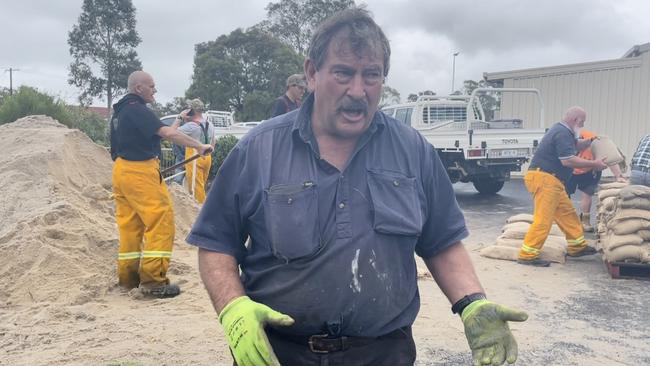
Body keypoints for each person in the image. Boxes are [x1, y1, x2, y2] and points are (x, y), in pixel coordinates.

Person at [187, 8, 527, 366]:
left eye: (371, 75)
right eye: (343, 73)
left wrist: (472, 303)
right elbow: (216, 243)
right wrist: (233, 308)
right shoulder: (258, 149)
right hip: (278, 353)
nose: (358, 90)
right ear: (311, 74)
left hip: (383, 353)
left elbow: (441, 241)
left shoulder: (413, 151)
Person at [110, 71, 213, 298]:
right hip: (140, 171)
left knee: (130, 226)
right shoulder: (138, 110)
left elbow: (151, 132)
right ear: (139, 88)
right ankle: (153, 281)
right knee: (161, 220)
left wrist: (179, 122)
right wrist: (198, 146)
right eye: (152, 86)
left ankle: (127, 279)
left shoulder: (119, 112)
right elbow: (166, 133)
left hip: (121, 171)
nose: (154, 90)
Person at [518, 106, 608, 267]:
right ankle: (527, 254)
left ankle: (577, 246)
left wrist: (589, 142)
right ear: (576, 120)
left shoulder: (562, 131)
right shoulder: (562, 132)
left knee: (568, 214)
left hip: (552, 180)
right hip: (545, 179)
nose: (582, 125)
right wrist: (594, 164)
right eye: (582, 122)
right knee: (543, 220)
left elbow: (575, 145)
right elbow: (568, 160)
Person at [566, 129, 626, 232]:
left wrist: (618, 176)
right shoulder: (566, 141)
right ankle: (565, 221)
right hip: (569, 170)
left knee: (587, 194)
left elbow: (609, 158)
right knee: (564, 194)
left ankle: (585, 221)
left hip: (590, 170)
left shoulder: (596, 142)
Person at [171, 98, 216, 203]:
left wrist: (180, 117)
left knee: (196, 190)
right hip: (207, 157)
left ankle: (201, 215)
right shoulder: (210, 124)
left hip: (194, 157)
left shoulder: (191, 126)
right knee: (201, 186)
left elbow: (171, 132)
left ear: (192, 110)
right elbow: (214, 142)